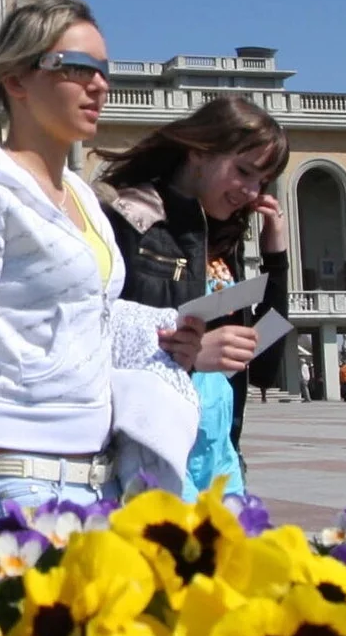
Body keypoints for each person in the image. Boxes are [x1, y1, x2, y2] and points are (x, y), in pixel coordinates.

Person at [0, 0, 199, 513]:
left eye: (105, 70)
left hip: (96, 479)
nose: (99, 85)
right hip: (10, 483)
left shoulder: (83, 196)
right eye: (78, 67)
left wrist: (174, 331)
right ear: (17, 78)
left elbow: (91, 316)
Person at [99, 94, 292, 495]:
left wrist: (277, 261)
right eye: (243, 171)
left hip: (222, 461)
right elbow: (100, 336)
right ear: (199, 153)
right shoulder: (132, 220)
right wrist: (189, 357)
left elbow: (264, 365)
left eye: (261, 181)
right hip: (154, 456)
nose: (252, 191)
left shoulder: (219, 241)